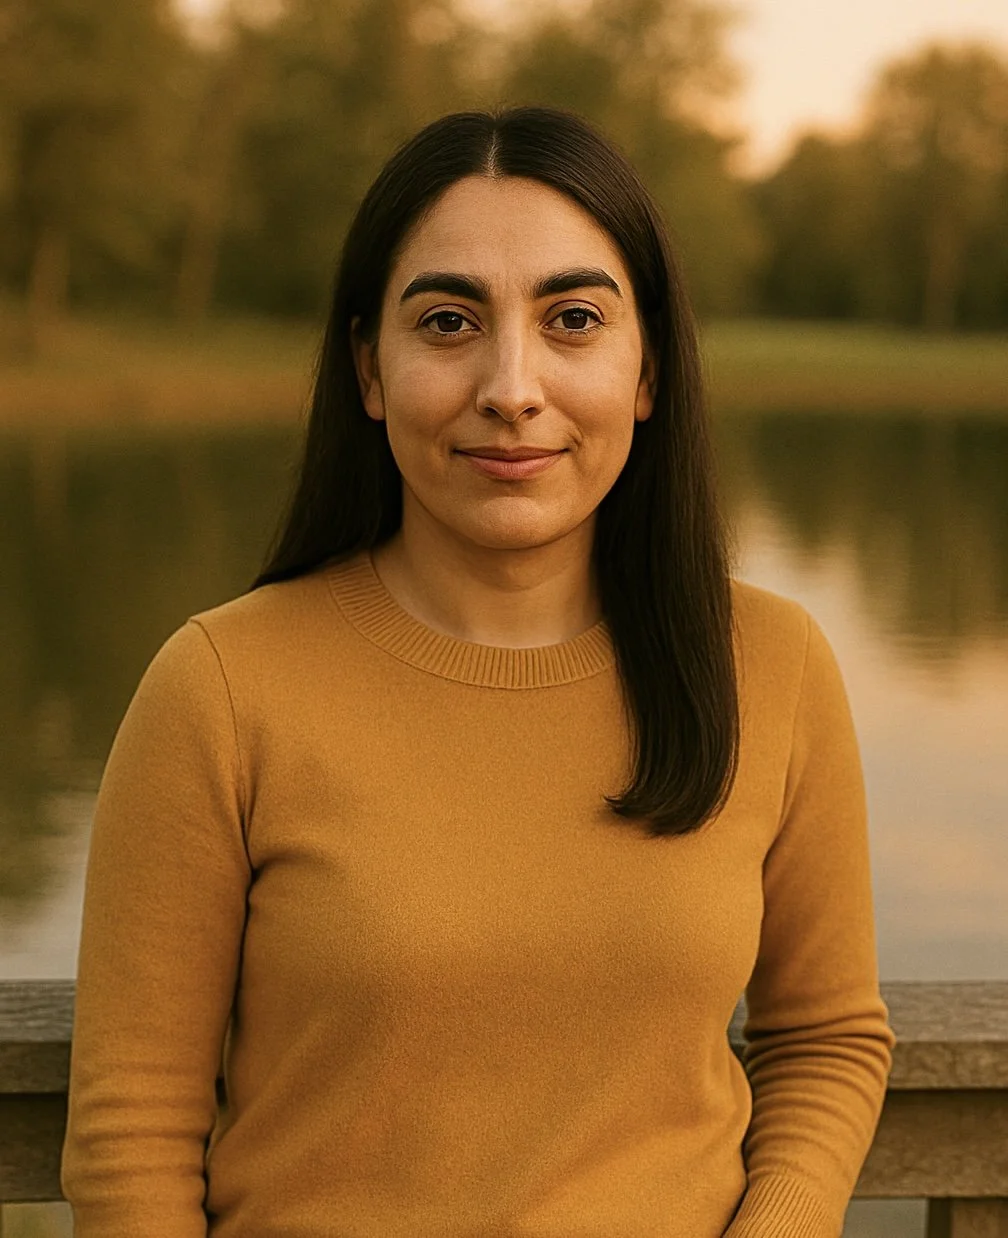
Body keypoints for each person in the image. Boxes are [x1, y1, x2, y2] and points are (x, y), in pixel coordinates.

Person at [61, 105, 895, 1237]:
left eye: (574, 320)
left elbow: (825, 1039)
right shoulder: (220, 686)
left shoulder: (772, 665)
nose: (512, 386)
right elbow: (133, 1132)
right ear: (370, 367)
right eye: (449, 321)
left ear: (647, 368)